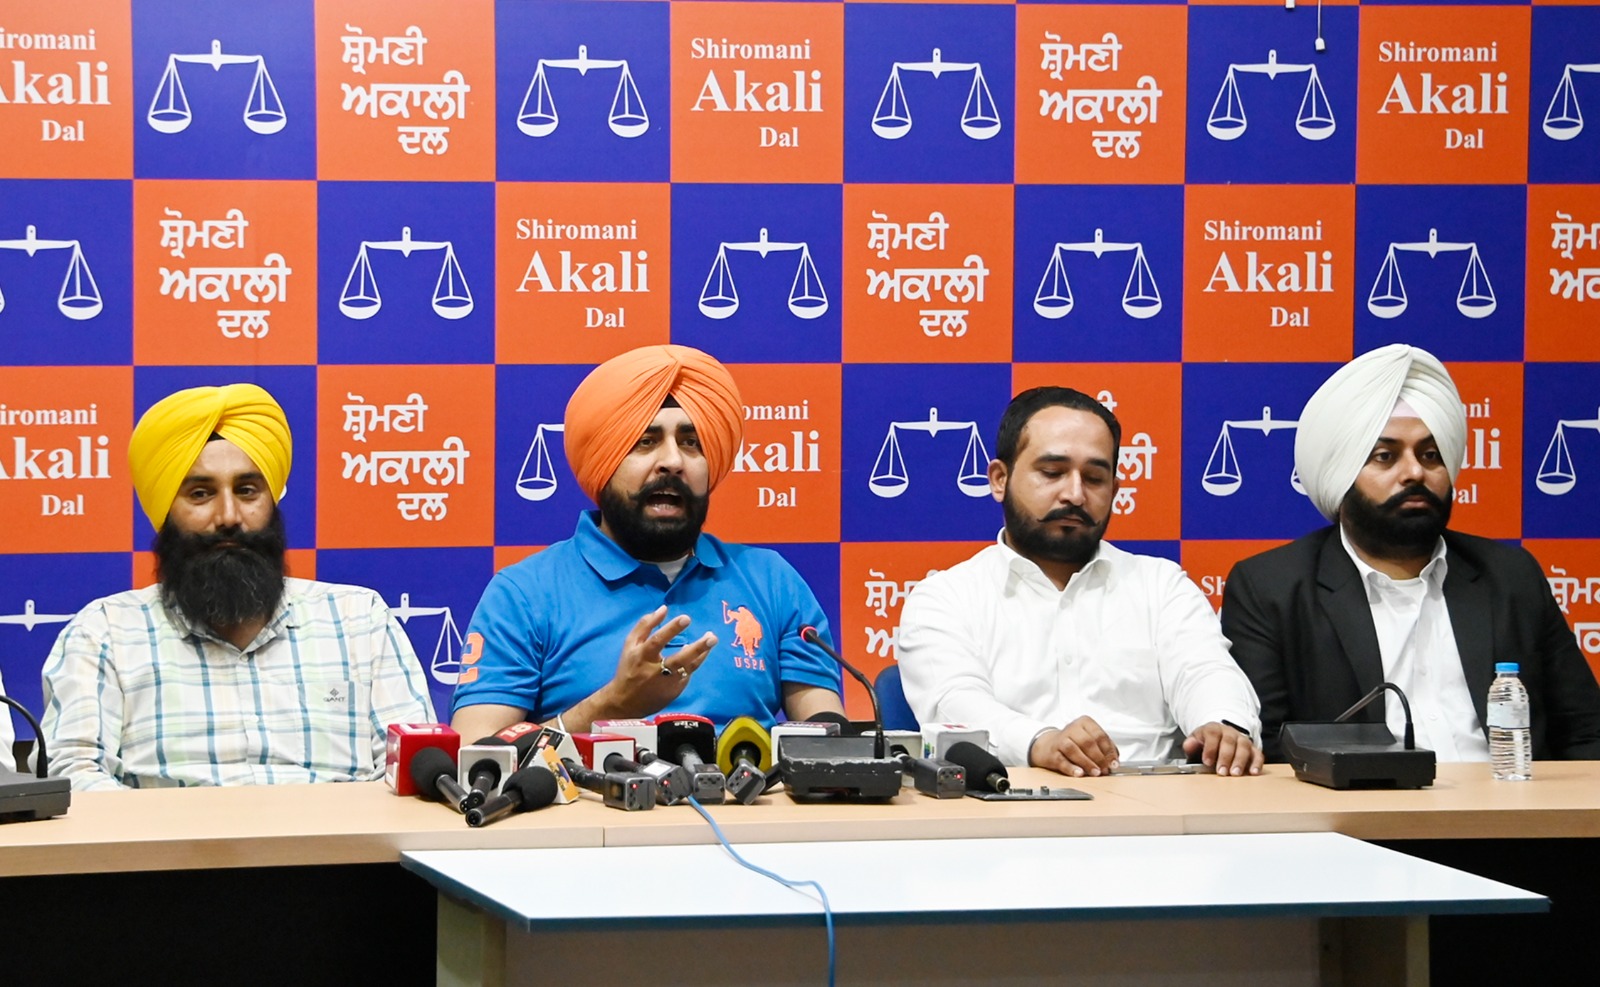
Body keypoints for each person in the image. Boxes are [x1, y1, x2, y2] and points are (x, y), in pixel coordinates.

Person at [41, 384, 435, 790]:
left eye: (247, 491)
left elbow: (410, 771)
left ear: (272, 501)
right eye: (200, 494)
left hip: (342, 832)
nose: (228, 516)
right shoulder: (105, 632)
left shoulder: (359, 621)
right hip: (165, 833)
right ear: (165, 511)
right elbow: (73, 774)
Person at [1223, 344, 1600, 761]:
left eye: (1430, 455)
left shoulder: (1510, 575)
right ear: (1341, 474)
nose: (1415, 472)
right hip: (1359, 803)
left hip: (1508, 796)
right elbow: (1267, 749)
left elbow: (1586, 731)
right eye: (1385, 457)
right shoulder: (1272, 588)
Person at [450, 345, 844, 740]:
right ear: (602, 462)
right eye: (645, 441)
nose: (673, 461)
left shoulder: (772, 580)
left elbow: (829, 740)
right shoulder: (524, 594)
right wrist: (612, 705)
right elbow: (477, 754)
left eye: (692, 442)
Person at [897, 386, 1263, 777]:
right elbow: (955, 704)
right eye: (1052, 473)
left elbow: (1205, 671)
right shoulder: (945, 598)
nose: (1075, 494)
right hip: (1006, 800)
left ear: (1115, 490)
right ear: (999, 479)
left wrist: (1222, 725)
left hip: (1155, 800)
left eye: (1094, 478)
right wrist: (1040, 742)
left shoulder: (1161, 586)